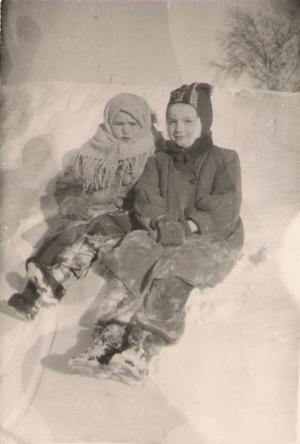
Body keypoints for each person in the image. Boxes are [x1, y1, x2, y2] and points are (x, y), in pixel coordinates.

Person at [69, 82, 244, 383]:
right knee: (133, 250)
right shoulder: (158, 160)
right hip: (165, 230)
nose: (178, 128)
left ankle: (143, 344)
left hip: (211, 239)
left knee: (173, 266)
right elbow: (147, 197)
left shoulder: (224, 159)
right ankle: (108, 335)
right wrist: (160, 220)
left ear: (204, 122)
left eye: (188, 120)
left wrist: (190, 225)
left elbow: (226, 205)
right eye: (172, 120)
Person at [7, 93, 161, 320]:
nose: (125, 130)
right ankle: (32, 294)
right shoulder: (95, 148)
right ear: (109, 122)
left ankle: (53, 281)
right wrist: (73, 201)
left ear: (144, 124)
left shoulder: (153, 153)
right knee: (67, 232)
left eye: (132, 124)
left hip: (124, 217)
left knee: (87, 241)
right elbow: (68, 183)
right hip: (89, 210)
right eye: (119, 124)